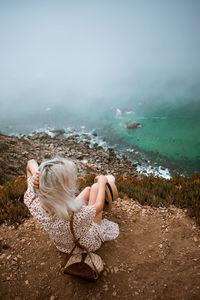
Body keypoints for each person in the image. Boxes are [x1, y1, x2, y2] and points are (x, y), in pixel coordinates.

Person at [24, 157, 119, 254]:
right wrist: (102, 182)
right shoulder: (77, 216)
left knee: (88, 190)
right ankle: (106, 186)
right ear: (62, 190)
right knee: (96, 187)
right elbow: (98, 206)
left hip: (62, 245)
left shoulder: (32, 199)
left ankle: (101, 186)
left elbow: (30, 163)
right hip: (85, 244)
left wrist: (38, 175)